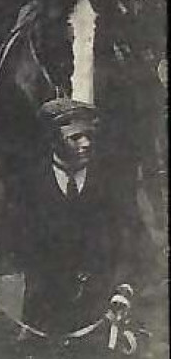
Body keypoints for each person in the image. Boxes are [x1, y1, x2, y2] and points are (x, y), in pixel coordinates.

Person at [12, 98, 142, 340]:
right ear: (52, 140)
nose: (86, 143)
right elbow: (19, 244)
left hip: (101, 307)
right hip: (44, 310)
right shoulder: (29, 185)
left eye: (89, 135)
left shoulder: (112, 182)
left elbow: (131, 237)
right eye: (75, 137)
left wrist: (124, 288)